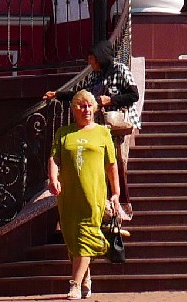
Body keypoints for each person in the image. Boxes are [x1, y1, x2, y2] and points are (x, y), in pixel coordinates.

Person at [47, 87, 123, 300]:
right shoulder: (64, 133)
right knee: (73, 240)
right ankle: (86, 279)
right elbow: (54, 158)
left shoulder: (103, 132)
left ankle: (75, 284)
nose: (86, 109)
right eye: (81, 106)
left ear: (95, 109)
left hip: (93, 196)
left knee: (86, 235)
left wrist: (115, 193)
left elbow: (111, 165)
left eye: (90, 106)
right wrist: (53, 178)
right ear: (74, 109)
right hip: (69, 196)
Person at [56, 41, 141, 212]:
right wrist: (58, 95)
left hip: (118, 126)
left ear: (100, 58)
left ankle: (122, 202)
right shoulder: (96, 76)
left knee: (117, 161)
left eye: (92, 59)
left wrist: (111, 100)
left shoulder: (120, 69)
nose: (90, 63)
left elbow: (134, 95)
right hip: (101, 127)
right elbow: (81, 95)